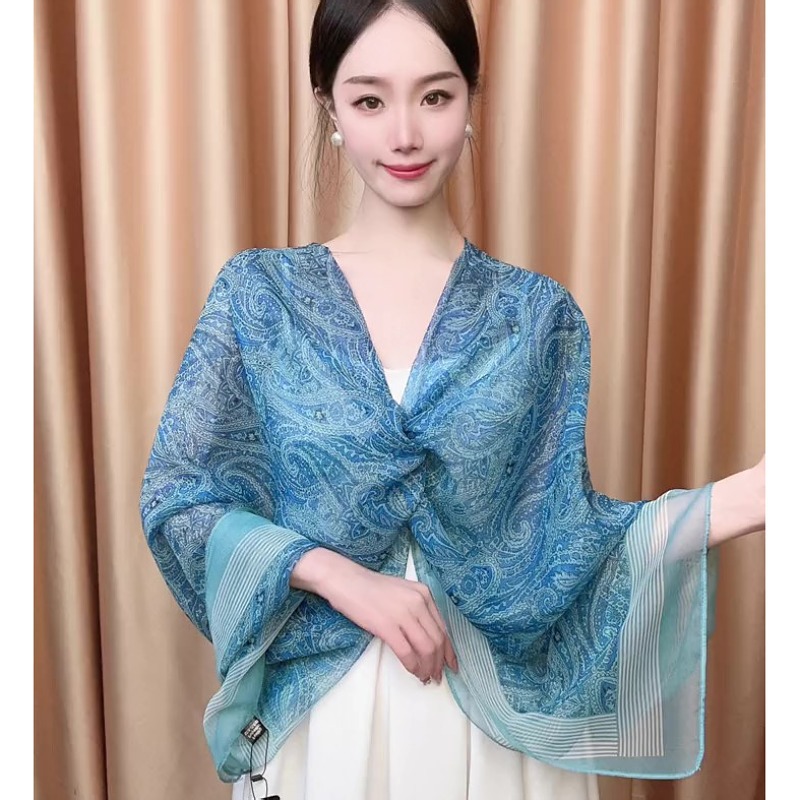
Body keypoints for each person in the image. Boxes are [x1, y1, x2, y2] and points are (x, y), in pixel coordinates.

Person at [139, 2, 765, 799]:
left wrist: (747, 498)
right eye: (370, 99)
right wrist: (336, 575)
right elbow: (179, 499)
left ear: (471, 98)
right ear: (329, 108)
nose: (405, 133)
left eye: (434, 96)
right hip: (324, 727)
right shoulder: (260, 297)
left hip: (493, 730)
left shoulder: (536, 317)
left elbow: (566, 549)